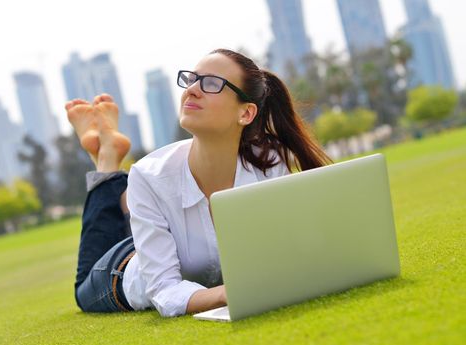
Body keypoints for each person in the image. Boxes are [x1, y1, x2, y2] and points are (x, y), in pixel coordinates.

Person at [66, 48, 332, 317]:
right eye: (192, 79)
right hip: (127, 268)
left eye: (212, 83)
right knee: (82, 289)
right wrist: (227, 292)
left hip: (165, 241)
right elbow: (165, 291)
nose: (192, 89)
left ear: (246, 113)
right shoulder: (149, 175)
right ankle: (107, 160)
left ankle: (116, 174)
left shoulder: (270, 164)